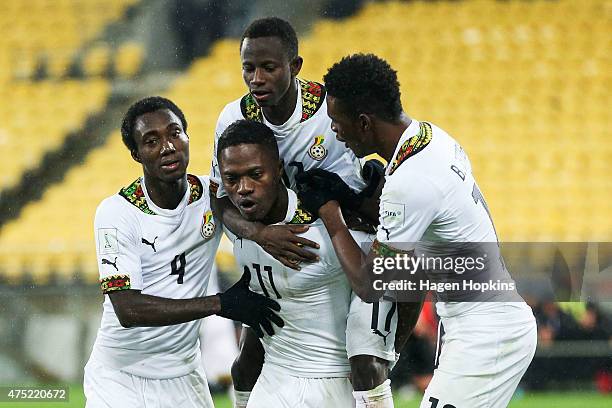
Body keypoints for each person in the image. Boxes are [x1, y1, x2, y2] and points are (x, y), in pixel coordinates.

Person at [296, 54, 538, 408]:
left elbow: (370, 285)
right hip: (476, 322)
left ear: (363, 123)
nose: (334, 131)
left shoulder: (410, 181)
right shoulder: (432, 138)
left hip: (487, 333)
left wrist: (330, 213)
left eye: (337, 121)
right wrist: (350, 198)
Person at [209, 18, 401, 407]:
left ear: (295, 66)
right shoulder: (233, 119)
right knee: (248, 359)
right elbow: (219, 199)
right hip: (272, 244)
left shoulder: (331, 111)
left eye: (269, 67)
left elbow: (370, 191)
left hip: (337, 242)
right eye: (248, 68)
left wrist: (349, 212)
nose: (256, 78)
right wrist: (258, 234)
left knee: (362, 359)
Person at [84, 96, 283, 408]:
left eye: (174, 133)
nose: (167, 146)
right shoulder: (116, 213)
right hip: (121, 377)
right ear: (136, 154)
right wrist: (221, 304)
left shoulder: (212, 196)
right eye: (151, 141)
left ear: (188, 137)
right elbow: (128, 309)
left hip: (185, 375)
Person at [218, 119, 380, 407]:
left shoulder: (331, 227)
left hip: (335, 388)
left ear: (279, 168)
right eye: (232, 179)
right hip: (272, 384)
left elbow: (402, 274)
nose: (244, 188)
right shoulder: (235, 228)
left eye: (256, 174)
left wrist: (379, 364)